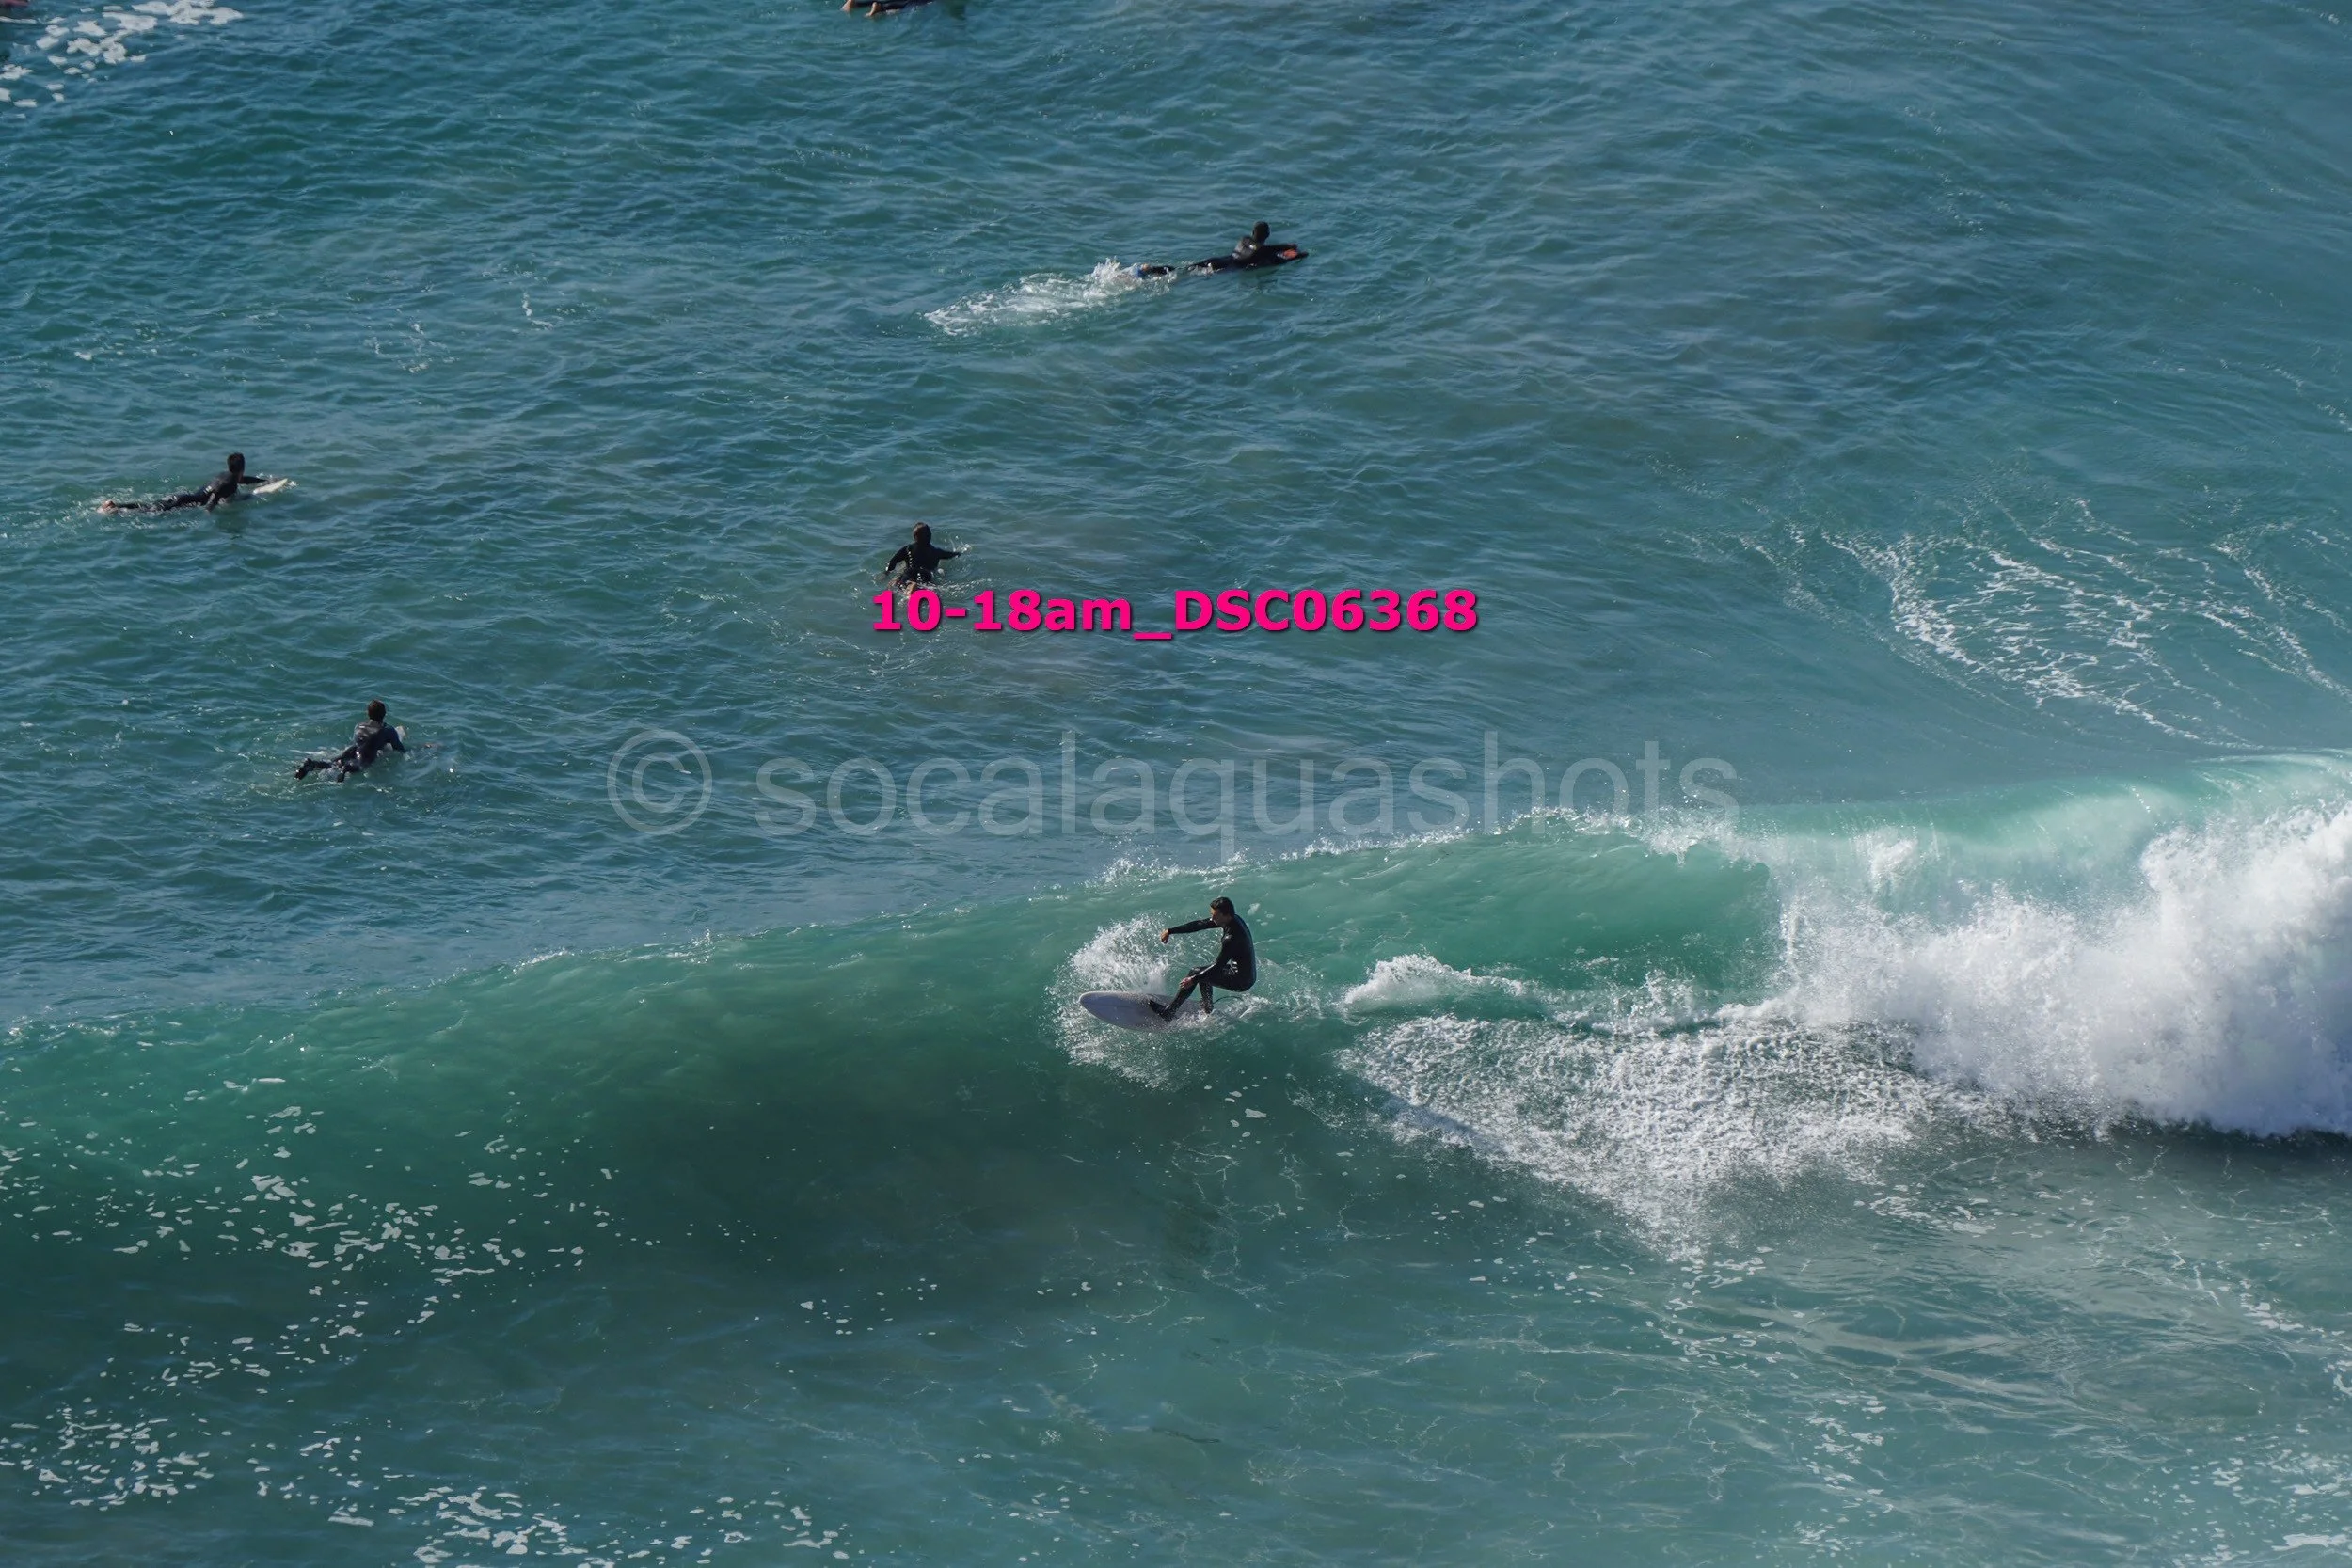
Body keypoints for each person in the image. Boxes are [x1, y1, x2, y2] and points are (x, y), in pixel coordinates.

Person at [1152, 896, 1255, 1018]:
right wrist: (1170, 931)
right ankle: (1208, 1007)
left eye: (1215, 915)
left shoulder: (1232, 938)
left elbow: (1218, 966)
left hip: (1241, 981)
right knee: (1203, 973)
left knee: (1196, 973)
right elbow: (1200, 924)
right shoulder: (1233, 919)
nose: (1212, 918)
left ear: (1226, 915)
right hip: (1244, 974)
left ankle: (1169, 1012)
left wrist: (1193, 979)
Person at [102, 451, 278, 514]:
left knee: (150, 506)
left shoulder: (226, 475)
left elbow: (244, 480)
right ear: (241, 468)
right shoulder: (231, 483)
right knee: (151, 511)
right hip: (189, 503)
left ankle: (115, 505)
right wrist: (209, 511)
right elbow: (216, 495)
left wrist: (264, 481)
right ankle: (117, 510)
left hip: (183, 497)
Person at [295, 700, 406, 782]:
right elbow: (399, 749)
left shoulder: (359, 726)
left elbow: (360, 743)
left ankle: (312, 764)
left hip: (350, 751)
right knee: (358, 766)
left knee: (332, 764)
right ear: (384, 714)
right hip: (364, 755)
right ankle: (345, 769)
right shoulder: (387, 730)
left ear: (368, 714)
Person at [883, 522, 960, 586]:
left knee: (900, 583)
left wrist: (886, 573)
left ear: (914, 537)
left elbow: (893, 561)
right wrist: (957, 553)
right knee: (928, 586)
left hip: (910, 573)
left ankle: (910, 585)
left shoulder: (908, 549)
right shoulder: (937, 552)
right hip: (926, 575)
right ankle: (914, 586)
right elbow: (949, 555)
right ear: (930, 536)